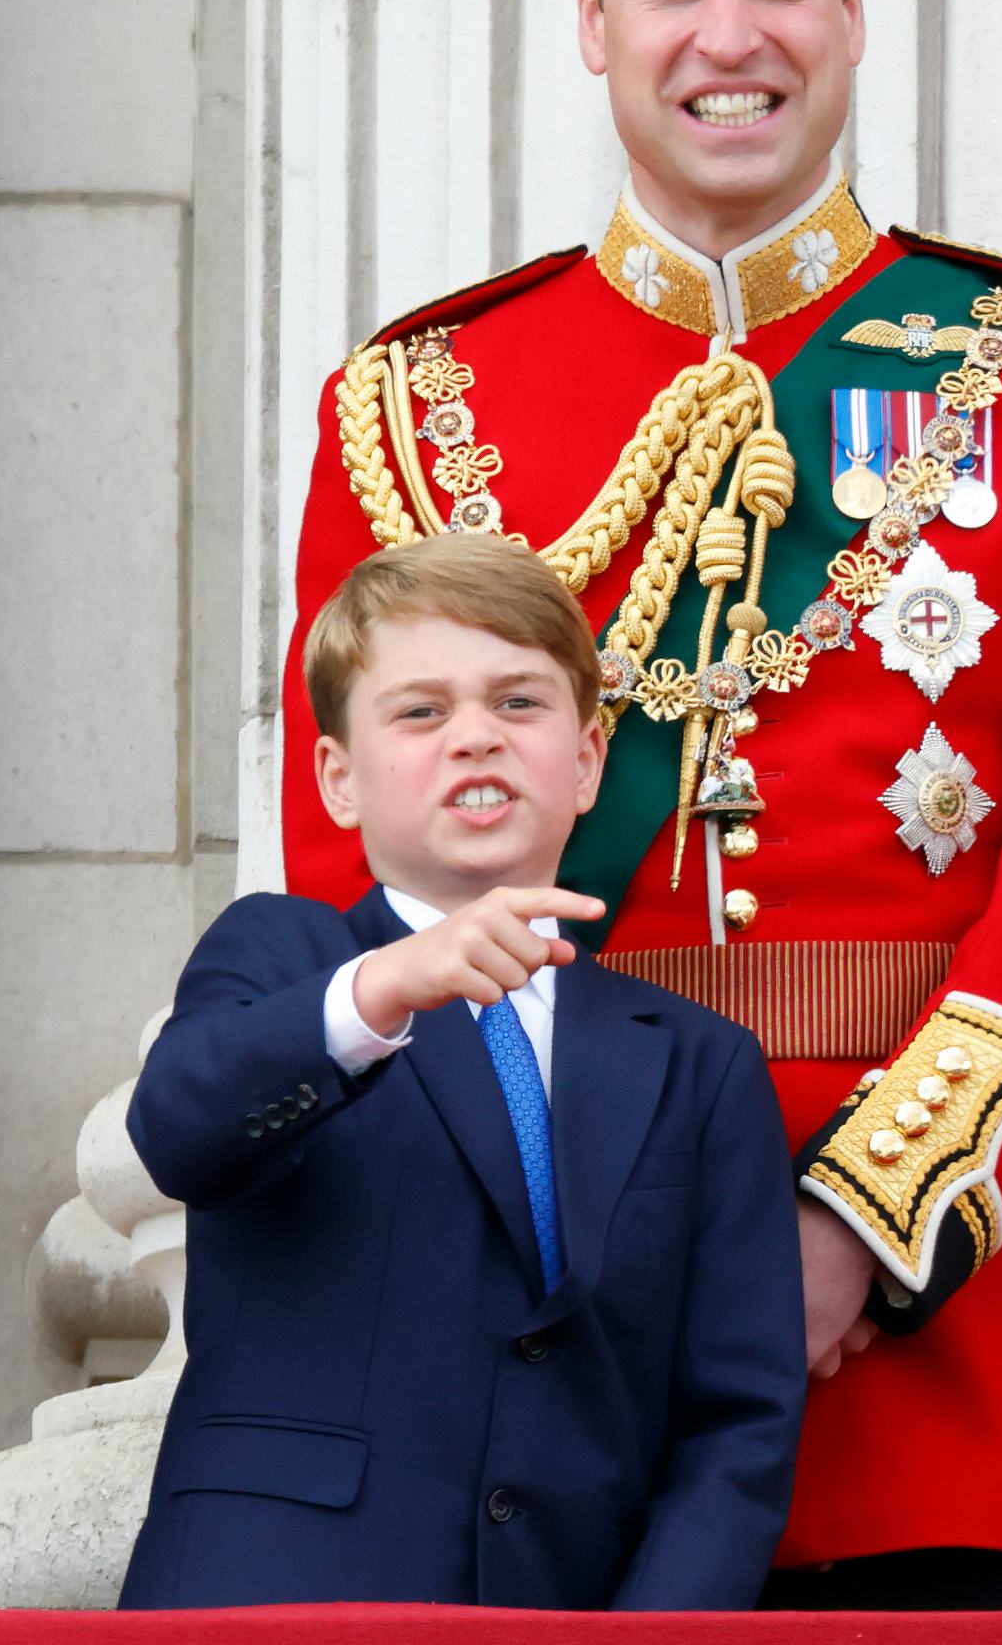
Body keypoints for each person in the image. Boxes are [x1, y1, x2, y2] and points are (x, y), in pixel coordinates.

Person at [275, 0, 1002, 1609]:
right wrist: (527, 1219)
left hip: (911, 1340)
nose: (727, 34)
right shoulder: (410, 403)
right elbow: (349, 876)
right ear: (590, 19)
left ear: (849, 8)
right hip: (520, 1310)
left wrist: (854, 1223)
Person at [119, 536, 803, 1610]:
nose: (475, 736)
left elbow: (739, 1419)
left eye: (520, 703)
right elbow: (179, 1126)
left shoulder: (697, 1062)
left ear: (584, 762)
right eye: (421, 712)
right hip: (275, 1603)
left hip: (567, 1614)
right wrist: (386, 987)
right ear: (339, 780)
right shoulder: (285, 960)